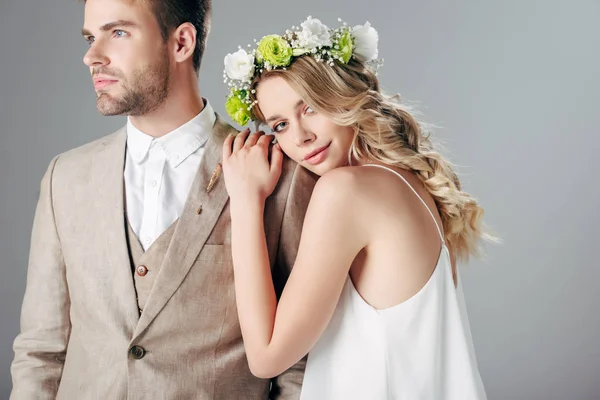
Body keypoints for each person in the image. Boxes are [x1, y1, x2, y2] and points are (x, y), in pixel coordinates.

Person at [10, 1, 316, 398]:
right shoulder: (64, 178)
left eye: (117, 32)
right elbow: (41, 352)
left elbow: (300, 365)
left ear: (182, 43)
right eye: (90, 37)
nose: (91, 56)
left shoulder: (279, 174)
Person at [221, 16, 491, 399]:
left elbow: (266, 358)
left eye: (311, 107)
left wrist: (246, 201)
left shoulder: (344, 191)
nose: (301, 136)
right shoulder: (407, 183)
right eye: (280, 125)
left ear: (342, 96)